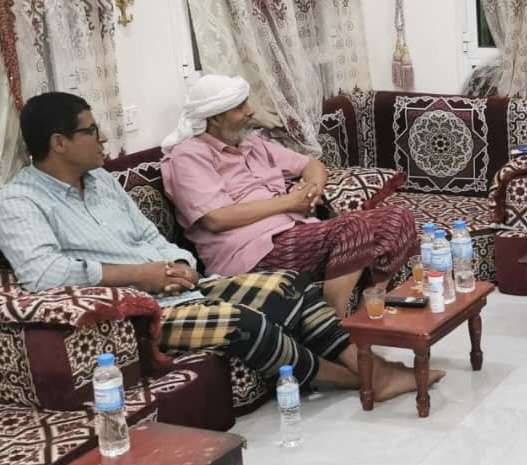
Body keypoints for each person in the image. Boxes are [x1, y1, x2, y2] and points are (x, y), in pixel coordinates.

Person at [0, 92, 443, 400]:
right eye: (92, 131)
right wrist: (143, 276)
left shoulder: (101, 182)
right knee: (243, 322)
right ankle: (352, 377)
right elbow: (44, 274)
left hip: (176, 285)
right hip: (138, 311)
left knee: (287, 287)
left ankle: (368, 370)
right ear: (59, 143)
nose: (102, 140)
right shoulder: (18, 201)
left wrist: (178, 263)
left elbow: (149, 236)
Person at [160, 75, 416, 317]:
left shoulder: (251, 143)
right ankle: (335, 325)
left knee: (398, 218)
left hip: (297, 232)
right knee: (353, 227)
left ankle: (368, 309)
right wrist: (289, 202)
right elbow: (215, 219)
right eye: (239, 107)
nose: (250, 111)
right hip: (250, 254)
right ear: (215, 118)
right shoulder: (189, 156)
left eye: (246, 103)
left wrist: (310, 191)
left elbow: (312, 165)